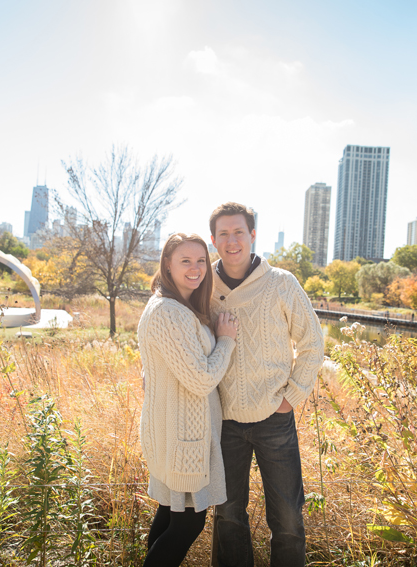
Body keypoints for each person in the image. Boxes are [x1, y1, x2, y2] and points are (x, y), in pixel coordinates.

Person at [208, 203, 324, 567]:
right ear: (213, 240)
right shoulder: (202, 285)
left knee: (288, 519)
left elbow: (313, 343)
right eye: (223, 234)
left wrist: (290, 398)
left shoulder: (281, 283)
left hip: (274, 417)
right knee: (227, 516)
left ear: (252, 235)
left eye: (238, 232)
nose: (231, 241)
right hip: (223, 420)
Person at [138, 233, 239, 567]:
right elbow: (200, 380)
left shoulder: (180, 307)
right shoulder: (169, 312)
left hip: (173, 431)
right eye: (185, 261)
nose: (196, 268)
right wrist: (225, 341)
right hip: (182, 437)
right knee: (189, 522)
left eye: (201, 261)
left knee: (170, 514)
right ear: (167, 264)